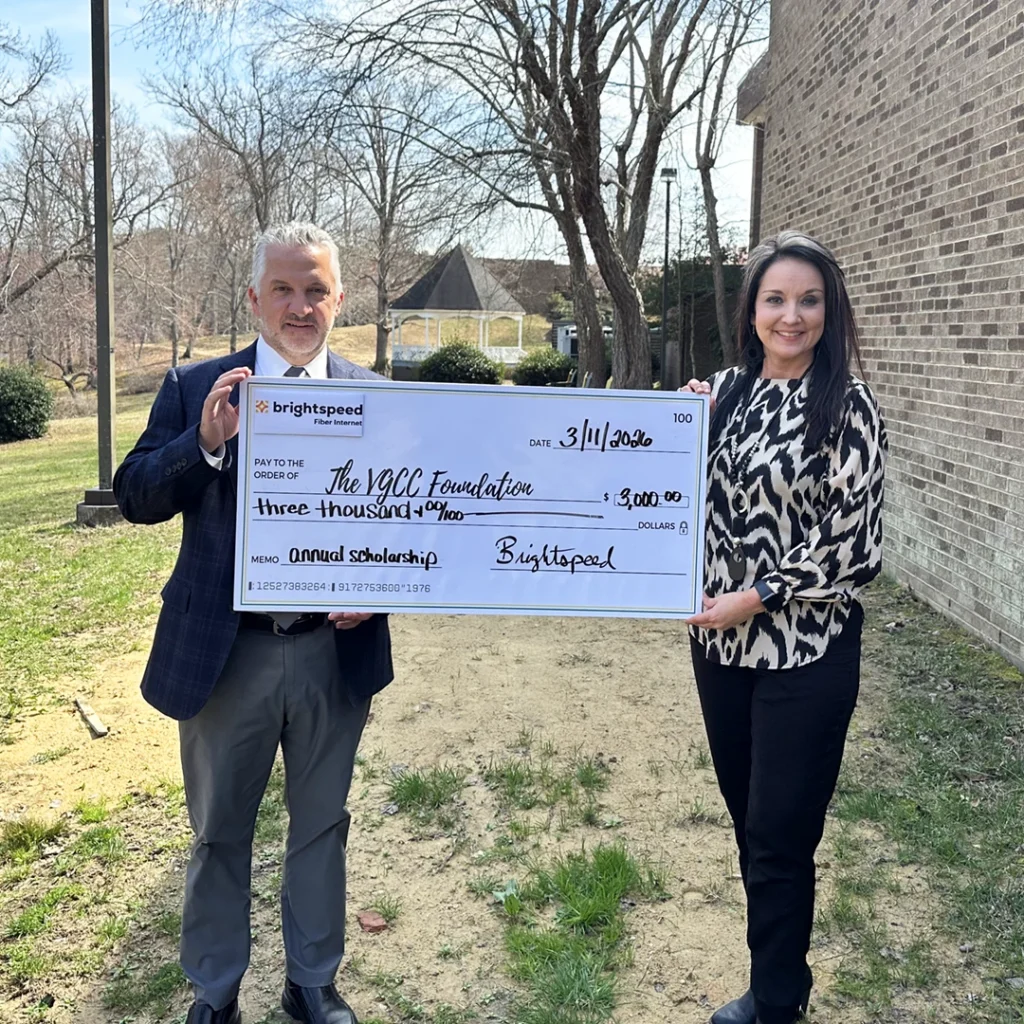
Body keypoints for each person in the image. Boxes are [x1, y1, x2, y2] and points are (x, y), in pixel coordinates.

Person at [114, 222, 393, 1024]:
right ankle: (215, 988)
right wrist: (202, 441)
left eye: (316, 290)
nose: (300, 306)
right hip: (224, 654)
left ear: (338, 299)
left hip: (331, 652)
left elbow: (413, 528)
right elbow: (135, 493)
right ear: (254, 299)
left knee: (321, 825)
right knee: (217, 831)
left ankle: (312, 982)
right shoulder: (198, 384)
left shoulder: (373, 398)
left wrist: (377, 586)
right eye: (284, 289)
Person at [680, 231, 887, 1024]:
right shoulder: (725, 394)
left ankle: (775, 1002)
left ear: (829, 312)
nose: (791, 316)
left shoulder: (848, 403)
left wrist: (759, 593)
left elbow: (853, 544)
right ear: (752, 309)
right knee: (749, 821)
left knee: (779, 832)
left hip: (806, 651)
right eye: (776, 299)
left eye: (808, 300)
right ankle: (777, 985)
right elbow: (669, 497)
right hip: (719, 648)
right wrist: (673, 431)